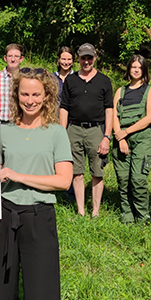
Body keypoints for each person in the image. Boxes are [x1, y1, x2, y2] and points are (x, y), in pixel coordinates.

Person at [0, 67, 72, 300]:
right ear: (15, 95)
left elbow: (63, 181)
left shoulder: (55, 132)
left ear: (47, 96)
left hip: (39, 216)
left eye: (37, 94)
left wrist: (19, 175)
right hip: (3, 216)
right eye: (24, 94)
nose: (30, 100)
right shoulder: (3, 131)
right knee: (1, 283)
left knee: (43, 289)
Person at [59, 43, 114, 217]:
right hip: (74, 129)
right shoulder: (71, 80)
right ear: (79, 59)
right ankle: (81, 211)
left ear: (95, 58)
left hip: (96, 130)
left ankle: (95, 211)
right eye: (83, 58)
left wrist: (107, 136)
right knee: (77, 172)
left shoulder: (104, 81)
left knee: (97, 172)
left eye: (90, 57)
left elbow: (109, 110)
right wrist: (62, 133)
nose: (86, 61)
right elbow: (64, 107)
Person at [111, 55, 151, 223]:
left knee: (138, 180)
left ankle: (142, 218)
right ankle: (127, 215)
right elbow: (114, 116)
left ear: (144, 70)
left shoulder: (149, 90)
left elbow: (150, 117)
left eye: (139, 67)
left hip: (141, 139)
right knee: (123, 179)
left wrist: (127, 132)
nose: (136, 70)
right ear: (128, 69)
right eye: (133, 67)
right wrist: (120, 137)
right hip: (121, 139)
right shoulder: (120, 91)